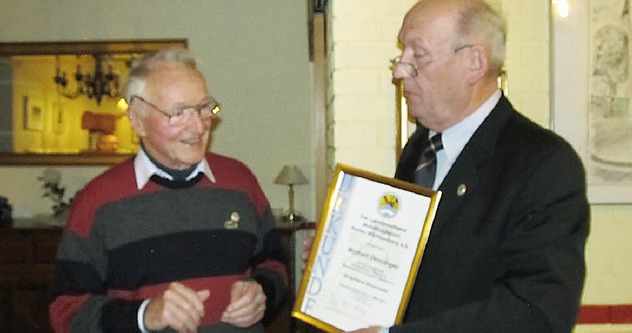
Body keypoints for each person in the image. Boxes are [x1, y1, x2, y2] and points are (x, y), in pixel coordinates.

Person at [304, 1, 590, 332]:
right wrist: (344, 255)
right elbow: (421, 265)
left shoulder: (544, 164)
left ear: (475, 62)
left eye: (418, 55)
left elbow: (535, 313)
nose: (399, 71)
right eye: (402, 54)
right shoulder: (420, 150)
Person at [49, 48, 289, 333]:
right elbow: (66, 311)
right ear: (138, 121)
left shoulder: (240, 181)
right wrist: (144, 315)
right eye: (178, 113)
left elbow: (276, 262)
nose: (198, 126)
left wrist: (262, 292)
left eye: (203, 107)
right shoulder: (98, 201)